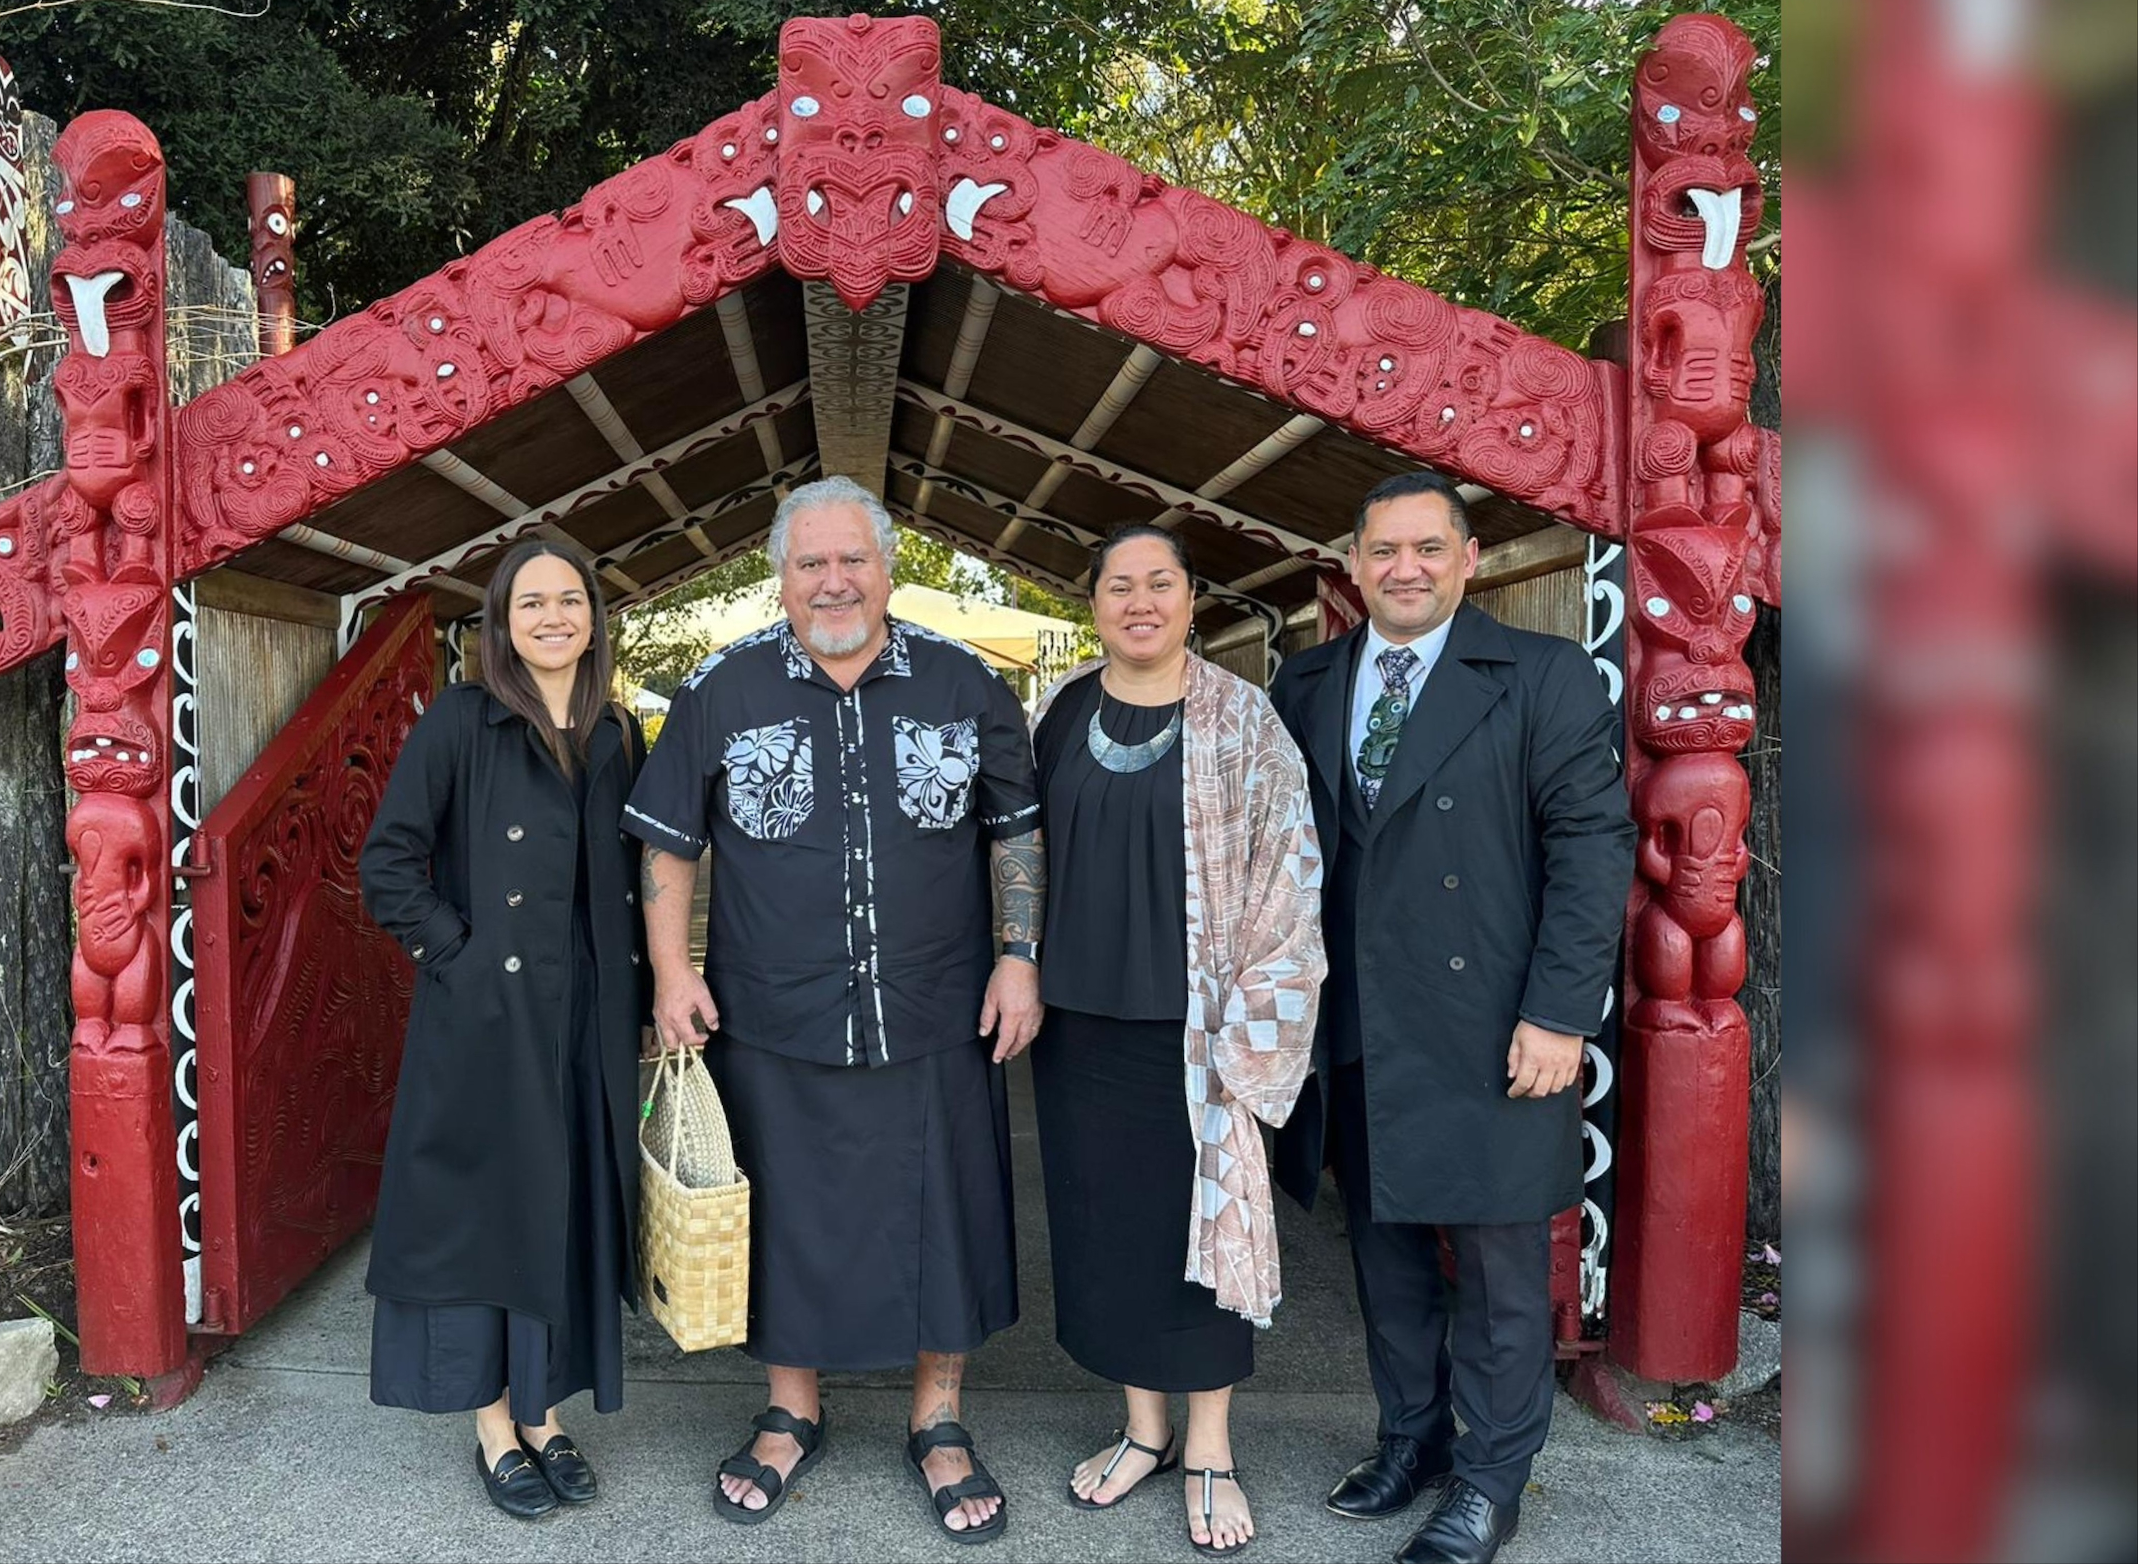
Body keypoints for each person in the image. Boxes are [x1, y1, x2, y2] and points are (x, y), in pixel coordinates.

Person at [620, 475, 1045, 1544]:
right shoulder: (720, 690)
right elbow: (667, 840)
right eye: (810, 562)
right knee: (790, 1222)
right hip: (775, 1013)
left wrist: (1018, 956)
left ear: (888, 567)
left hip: (937, 1007)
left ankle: (937, 1421)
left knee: (941, 1217)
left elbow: (1016, 829)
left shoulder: (961, 682)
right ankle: (787, 1412)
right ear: (781, 576)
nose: (833, 579)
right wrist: (672, 974)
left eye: (851, 557)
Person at [1270, 472, 1635, 1564]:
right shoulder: (1306, 679)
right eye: (1383, 549)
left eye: (1428, 547)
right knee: (1380, 1257)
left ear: (1469, 557)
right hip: (1355, 1023)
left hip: (1493, 1027)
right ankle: (1413, 1439)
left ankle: (1490, 1478)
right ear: (1351, 561)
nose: (1405, 568)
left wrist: (1560, 1013)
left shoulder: (1540, 675)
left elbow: (1589, 848)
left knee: (1496, 1274)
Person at [1031, 527, 1327, 1557]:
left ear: (1191, 600)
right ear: (1095, 602)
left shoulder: (1243, 720)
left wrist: (1255, 1031)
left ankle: (1208, 1444)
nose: (1139, 600)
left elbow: (1291, 882)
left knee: (1197, 1237)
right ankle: (1141, 1428)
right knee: (1105, 1227)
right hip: (1077, 1025)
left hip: (1196, 1031)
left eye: (1160, 582)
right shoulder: (1060, 710)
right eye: (1120, 584)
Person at [358, 540, 650, 1522]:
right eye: (532, 602)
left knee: (565, 1211)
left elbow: (633, 876)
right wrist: (463, 956)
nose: (553, 616)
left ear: (594, 619)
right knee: (486, 1218)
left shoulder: (616, 728)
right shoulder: (461, 720)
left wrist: (647, 1000)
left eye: (571, 599)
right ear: (500, 620)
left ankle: (546, 1411)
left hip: (589, 1019)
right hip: (487, 1019)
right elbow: (388, 863)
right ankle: (492, 1422)